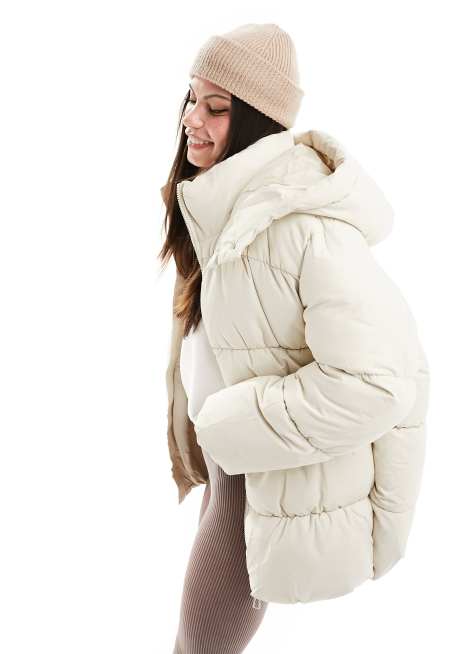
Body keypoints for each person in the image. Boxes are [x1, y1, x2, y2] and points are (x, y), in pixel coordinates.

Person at [158, 23, 430, 654]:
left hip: (261, 474)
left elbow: (377, 384)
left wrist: (230, 424)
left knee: (199, 642)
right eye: (191, 99)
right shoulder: (220, 210)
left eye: (216, 107)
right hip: (236, 466)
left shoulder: (305, 229)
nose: (192, 119)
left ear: (256, 121)